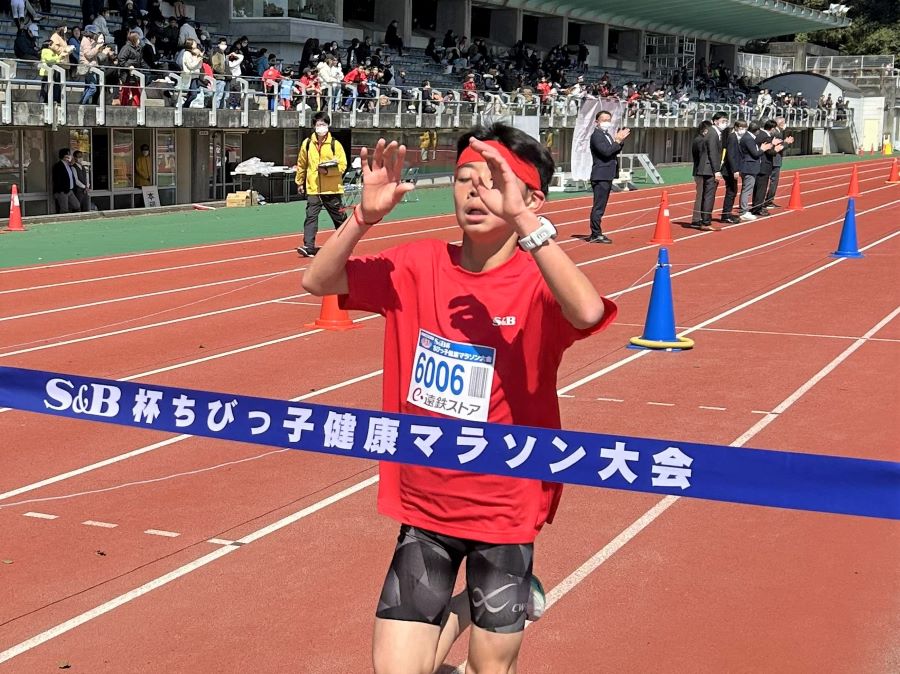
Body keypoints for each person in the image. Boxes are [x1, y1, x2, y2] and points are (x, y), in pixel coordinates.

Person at [300, 123, 616, 674]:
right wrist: (362, 219)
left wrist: (527, 225)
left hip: (505, 511)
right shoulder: (418, 265)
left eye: (493, 181)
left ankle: (478, 613)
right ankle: (464, 612)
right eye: (464, 179)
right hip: (425, 505)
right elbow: (318, 282)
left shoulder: (540, 283)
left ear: (531, 197)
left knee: (489, 670)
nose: (474, 192)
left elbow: (588, 313)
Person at [295, 112, 347, 257]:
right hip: (313, 188)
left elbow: (342, 166)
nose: (321, 127)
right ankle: (308, 246)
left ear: (328, 126)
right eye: (318, 124)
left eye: (323, 124)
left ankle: (346, 241)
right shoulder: (307, 144)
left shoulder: (334, 144)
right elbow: (302, 164)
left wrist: (327, 172)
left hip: (331, 189)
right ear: (313, 126)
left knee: (339, 217)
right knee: (311, 216)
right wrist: (300, 181)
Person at [587, 109, 629, 243]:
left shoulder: (607, 135)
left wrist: (619, 141)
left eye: (608, 120)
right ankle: (595, 234)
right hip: (601, 174)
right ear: (596, 122)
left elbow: (613, 151)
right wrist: (617, 140)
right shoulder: (597, 136)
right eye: (603, 120)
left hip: (607, 174)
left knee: (601, 205)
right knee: (598, 206)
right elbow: (606, 152)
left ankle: (596, 232)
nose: (606, 122)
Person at [689, 112, 725, 230]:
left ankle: (702, 220)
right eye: (723, 120)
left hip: (705, 169)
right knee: (706, 196)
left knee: (706, 195)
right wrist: (716, 170)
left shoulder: (713, 134)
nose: (725, 123)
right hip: (706, 170)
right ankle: (704, 221)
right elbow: (712, 153)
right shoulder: (711, 134)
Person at [737, 120, 772, 221]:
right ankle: (744, 211)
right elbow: (755, 153)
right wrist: (763, 149)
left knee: (746, 189)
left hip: (749, 166)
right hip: (749, 167)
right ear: (756, 131)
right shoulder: (748, 139)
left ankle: (744, 209)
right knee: (747, 190)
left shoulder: (749, 138)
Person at [752, 120, 780, 217]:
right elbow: (770, 152)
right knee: (761, 188)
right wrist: (776, 148)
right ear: (772, 129)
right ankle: (758, 208)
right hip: (764, 165)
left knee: (757, 187)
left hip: (759, 164)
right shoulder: (766, 137)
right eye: (774, 129)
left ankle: (756, 206)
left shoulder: (760, 134)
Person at [765, 116, 794, 208]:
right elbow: (778, 147)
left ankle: (768, 200)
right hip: (775, 159)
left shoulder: (778, 132)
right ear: (779, 123)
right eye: (783, 122)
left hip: (774, 159)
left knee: (771, 181)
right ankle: (768, 201)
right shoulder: (776, 133)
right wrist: (786, 143)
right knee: (774, 181)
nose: (785, 124)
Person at [720, 120, 742, 224]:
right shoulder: (732, 137)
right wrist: (735, 170)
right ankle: (726, 215)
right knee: (731, 191)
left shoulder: (733, 137)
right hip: (729, 170)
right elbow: (731, 155)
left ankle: (727, 213)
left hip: (730, 169)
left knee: (732, 191)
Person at [51, 148, 80, 213]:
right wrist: (60, 190)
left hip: (70, 190)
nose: (69, 156)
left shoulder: (68, 165)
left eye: (69, 154)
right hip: (62, 191)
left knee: (77, 205)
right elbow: (56, 179)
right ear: (63, 156)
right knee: (64, 209)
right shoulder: (58, 166)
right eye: (68, 154)